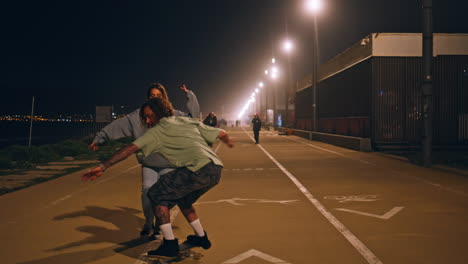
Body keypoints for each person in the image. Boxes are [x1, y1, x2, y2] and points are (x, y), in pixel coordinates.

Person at [82, 97, 234, 258]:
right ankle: (201, 237)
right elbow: (221, 133)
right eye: (144, 117)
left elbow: (130, 149)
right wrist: (228, 141)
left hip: (196, 170)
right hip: (215, 169)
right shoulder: (185, 121)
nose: (147, 121)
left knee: (156, 194)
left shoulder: (157, 131)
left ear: (159, 114)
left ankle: (169, 245)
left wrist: (104, 166)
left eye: (149, 116)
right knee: (184, 200)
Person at [88, 83, 200, 238]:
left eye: (158, 96)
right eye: (152, 96)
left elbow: (192, 118)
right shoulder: (138, 116)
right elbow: (118, 126)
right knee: (147, 192)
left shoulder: (173, 115)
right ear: (147, 98)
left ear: (164, 98)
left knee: (167, 196)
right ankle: (148, 223)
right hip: (149, 163)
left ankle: (159, 223)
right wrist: (100, 138)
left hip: (168, 163)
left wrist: (190, 96)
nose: (155, 98)